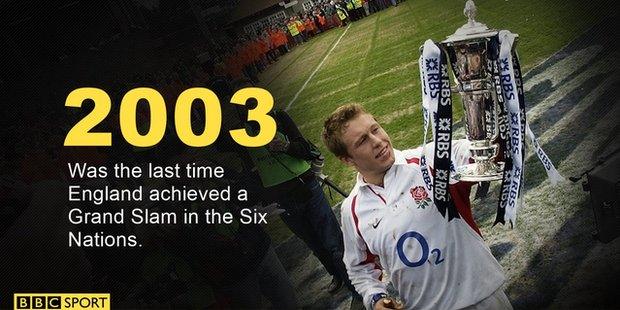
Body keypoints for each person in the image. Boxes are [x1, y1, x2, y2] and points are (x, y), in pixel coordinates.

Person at [322, 104, 511, 310]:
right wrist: (375, 299)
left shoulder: (431, 160)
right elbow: (358, 268)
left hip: (481, 298)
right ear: (347, 159)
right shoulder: (352, 210)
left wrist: (497, 112)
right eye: (362, 141)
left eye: (375, 129)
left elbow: (492, 153)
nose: (377, 141)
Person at [237, 103, 357, 295]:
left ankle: (355, 285)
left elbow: (305, 148)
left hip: (307, 188)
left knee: (333, 240)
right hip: (283, 201)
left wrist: (286, 146)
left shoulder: (279, 118)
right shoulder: (242, 134)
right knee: (314, 243)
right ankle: (337, 275)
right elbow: (249, 169)